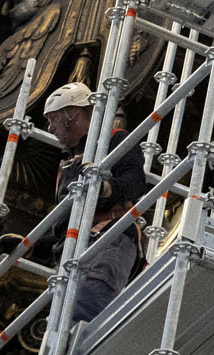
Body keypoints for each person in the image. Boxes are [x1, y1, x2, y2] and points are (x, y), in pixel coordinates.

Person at [44, 78, 153, 328]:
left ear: (71, 113)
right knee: (60, 325)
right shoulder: (68, 164)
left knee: (82, 314)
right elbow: (66, 223)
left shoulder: (113, 141)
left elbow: (135, 182)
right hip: (75, 248)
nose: (49, 128)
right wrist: (30, 246)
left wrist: (104, 189)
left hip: (106, 239)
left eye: (52, 118)